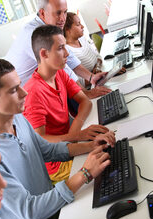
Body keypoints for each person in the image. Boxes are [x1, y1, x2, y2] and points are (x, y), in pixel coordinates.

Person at [0, 56, 115, 219]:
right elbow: (31, 212)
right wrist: (85, 173)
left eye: (20, 85)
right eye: (14, 90)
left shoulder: (18, 119)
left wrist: (91, 145)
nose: (24, 93)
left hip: (52, 206)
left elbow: (48, 150)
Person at [23, 25, 109, 184]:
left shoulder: (59, 72)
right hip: (57, 163)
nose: (67, 53)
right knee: (108, 164)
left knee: (111, 145)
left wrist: (76, 133)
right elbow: (41, 141)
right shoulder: (33, 93)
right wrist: (76, 136)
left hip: (70, 145)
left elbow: (85, 101)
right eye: (61, 48)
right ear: (44, 53)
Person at [5, 0, 111, 99]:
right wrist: (84, 93)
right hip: (17, 96)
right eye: (58, 13)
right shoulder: (34, 34)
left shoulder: (51, 27)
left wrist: (91, 77)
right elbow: (61, 67)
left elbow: (69, 57)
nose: (63, 18)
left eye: (65, 12)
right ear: (42, 13)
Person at [64, 12, 126, 86]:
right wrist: (109, 75)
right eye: (78, 24)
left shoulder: (82, 39)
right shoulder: (67, 51)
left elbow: (97, 56)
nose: (82, 26)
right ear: (67, 30)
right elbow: (79, 82)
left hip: (100, 73)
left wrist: (97, 67)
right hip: (93, 85)